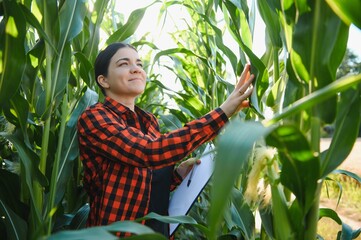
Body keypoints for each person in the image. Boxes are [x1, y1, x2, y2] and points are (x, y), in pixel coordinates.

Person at [77, 42, 254, 237]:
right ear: (103, 81)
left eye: (139, 64)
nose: (136, 69)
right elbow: (148, 152)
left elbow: (145, 185)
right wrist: (222, 112)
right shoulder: (94, 117)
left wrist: (176, 175)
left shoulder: (149, 122)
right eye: (124, 64)